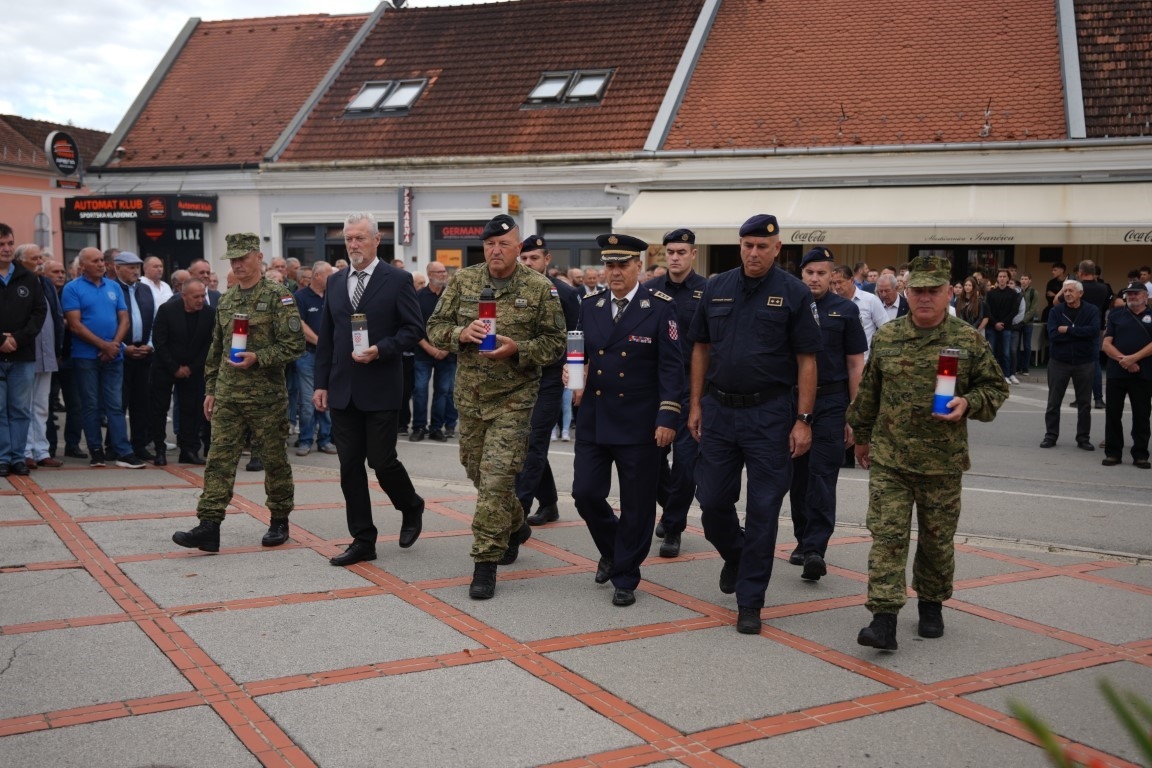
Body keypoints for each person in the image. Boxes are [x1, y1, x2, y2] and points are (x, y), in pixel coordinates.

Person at [848, 256, 1008, 652]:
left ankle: (932, 604)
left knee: (937, 541)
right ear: (907, 292)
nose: (924, 298)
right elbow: (869, 392)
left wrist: (968, 402)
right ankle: (883, 618)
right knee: (887, 537)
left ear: (947, 293)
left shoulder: (967, 339)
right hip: (891, 459)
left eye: (933, 291)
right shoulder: (887, 337)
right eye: (917, 290)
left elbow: (995, 388)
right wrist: (861, 436)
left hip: (942, 461)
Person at [687, 214, 822, 635]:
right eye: (747, 245)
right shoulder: (716, 287)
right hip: (720, 411)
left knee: (764, 510)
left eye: (762, 246)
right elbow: (700, 348)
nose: (754, 252)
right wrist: (695, 404)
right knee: (711, 504)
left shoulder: (794, 292)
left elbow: (807, 360)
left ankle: (750, 601)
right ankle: (736, 552)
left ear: (777, 249)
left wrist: (803, 420)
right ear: (739, 246)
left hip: (769, 415)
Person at [426, 214, 566, 599]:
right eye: (490, 244)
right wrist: (461, 333)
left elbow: (556, 344)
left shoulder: (540, 288)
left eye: (504, 244)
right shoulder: (464, 281)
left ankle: (485, 563)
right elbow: (434, 327)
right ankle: (517, 524)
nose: (496, 251)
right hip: (470, 401)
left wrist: (518, 348)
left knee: (496, 481)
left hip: (514, 401)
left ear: (518, 249)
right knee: (477, 472)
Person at [172, 233, 304, 552]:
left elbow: (294, 345)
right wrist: (212, 389)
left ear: (258, 257)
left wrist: (260, 357)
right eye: (232, 259)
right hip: (229, 395)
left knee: (273, 460)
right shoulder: (227, 299)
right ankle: (209, 525)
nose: (237, 264)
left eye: (243, 258)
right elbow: (217, 347)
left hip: (265, 396)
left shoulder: (279, 296)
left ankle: (279, 519)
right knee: (219, 459)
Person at [572, 233, 683, 606]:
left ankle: (625, 575)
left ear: (639, 265)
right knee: (585, 493)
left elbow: (672, 368)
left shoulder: (660, 306)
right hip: (596, 417)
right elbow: (576, 347)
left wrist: (668, 416)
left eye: (622, 264)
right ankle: (614, 548)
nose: (615, 272)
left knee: (637, 504)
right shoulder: (591, 305)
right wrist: (572, 376)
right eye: (609, 265)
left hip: (640, 420)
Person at [314, 213, 427, 567]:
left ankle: (411, 505)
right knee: (349, 465)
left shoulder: (397, 280)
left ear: (377, 240)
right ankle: (363, 539)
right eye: (348, 239)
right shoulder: (335, 283)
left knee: (381, 460)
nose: (353, 245)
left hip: (380, 385)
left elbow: (413, 330)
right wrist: (320, 383)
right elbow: (327, 339)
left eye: (360, 238)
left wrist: (382, 349)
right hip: (343, 388)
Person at [788, 248, 866, 580]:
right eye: (810, 273)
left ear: (832, 276)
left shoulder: (845, 311)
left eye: (822, 273)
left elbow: (854, 365)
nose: (816, 279)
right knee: (797, 476)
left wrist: (854, 414)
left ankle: (816, 547)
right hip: (792, 404)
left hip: (832, 403)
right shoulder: (789, 308)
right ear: (801, 275)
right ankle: (802, 538)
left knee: (822, 476)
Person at [643, 228, 707, 557]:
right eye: (670, 252)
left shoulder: (707, 291)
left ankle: (674, 526)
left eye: (682, 251)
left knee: (686, 461)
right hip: (655, 385)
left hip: (692, 385)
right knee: (651, 460)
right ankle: (670, 508)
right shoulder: (650, 290)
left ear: (693, 254)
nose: (675, 257)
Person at [515, 235, 580, 526]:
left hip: (551, 377)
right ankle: (550, 503)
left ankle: (517, 514)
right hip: (519, 376)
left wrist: (575, 376)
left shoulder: (564, 294)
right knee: (526, 444)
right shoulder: (514, 289)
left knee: (533, 445)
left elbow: (577, 338)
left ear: (547, 259)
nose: (528, 264)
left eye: (534, 258)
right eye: (524, 259)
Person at [61, 248, 144, 469]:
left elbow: (123, 319)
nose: (101, 264)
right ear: (83, 266)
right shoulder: (72, 289)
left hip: (113, 355)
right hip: (85, 356)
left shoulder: (113, 286)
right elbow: (75, 325)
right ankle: (96, 450)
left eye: (101, 260)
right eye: (95, 261)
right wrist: (103, 345)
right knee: (90, 405)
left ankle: (123, 451)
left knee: (115, 406)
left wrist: (114, 345)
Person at [150, 279, 215, 465]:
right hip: (165, 366)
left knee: (192, 410)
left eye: (203, 296)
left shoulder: (210, 314)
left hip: (193, 369)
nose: (201, 300)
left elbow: (209, 345)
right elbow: (159, 342)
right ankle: (159, 450)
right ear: (184, 296)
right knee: (159, 408)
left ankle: (189, 449)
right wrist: (175, 367)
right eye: (196, 296)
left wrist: (191, 367)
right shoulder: (167, 310)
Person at [0, 225, 47, 478]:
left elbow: (39, 312)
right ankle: (2, 458)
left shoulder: (28, 277)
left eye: (9, 243)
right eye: (1, 245)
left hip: (22, 355)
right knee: (0, 411)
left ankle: (18, 458)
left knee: (20, 409)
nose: (6, 249)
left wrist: (17, 339)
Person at [15, 244, 63, 470]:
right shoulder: (17, 282)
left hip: (47, 352)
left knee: (42, 405)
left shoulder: (45, 283)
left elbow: (55, 314)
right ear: (21, 261)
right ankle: (24, 451)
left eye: (40, 257)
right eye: (35, 258)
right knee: (23, 404)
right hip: (25, 352)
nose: (39, 261)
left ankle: (41, 450)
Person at [1040, 280, 1099, 451]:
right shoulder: (1056, 311)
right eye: (1065, 291)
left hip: (1084, 362)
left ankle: (1083, 438)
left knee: (1085, 403)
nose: (1067, 294)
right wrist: (1079, 332)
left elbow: (1093, 332)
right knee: (1053, 402)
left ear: (1080, 293)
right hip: (1059, 362)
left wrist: (1068, 330)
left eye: (1071, 291)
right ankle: (1050, 435)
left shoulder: (1091, 310)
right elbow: (1053, 335)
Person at [1101, 282, 1152, 469]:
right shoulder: (1116, 314)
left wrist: (1135, 358)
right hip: (1117, 373)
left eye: (1135, 293)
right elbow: (1106, 344)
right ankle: (1113, 453)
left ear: (1145, 296)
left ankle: (1140, 454)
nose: (1131, 296)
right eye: (1128, 294)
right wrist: (1124, 360)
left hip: (1143, 373)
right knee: (1113, 414)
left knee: (1142, 415)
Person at [113, 252, 158, 459]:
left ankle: (140, 445)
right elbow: (108, 323)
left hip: (144, 352)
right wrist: (123, 347)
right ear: (117, 268)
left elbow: (154, 320)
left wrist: (149, 344)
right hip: (121, 353)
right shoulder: (112, 289)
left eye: (137, 267)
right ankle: (114, 446)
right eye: (130, 267)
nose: (134, 271)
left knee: (142, 403)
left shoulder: (145, 289)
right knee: (119, 403)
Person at [410, 261, 457, 443]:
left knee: (443, 391)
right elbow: (413, 326)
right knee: (420, 390)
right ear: (429, 274)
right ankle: (419, 427)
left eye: (444, 271)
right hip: (423, 353)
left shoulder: (452, 296)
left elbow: (458, 323)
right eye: (438, 272)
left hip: (447, 354)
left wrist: (444, 348)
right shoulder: (418, 297)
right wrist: (429, 348)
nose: (443, 275)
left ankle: (437, 428)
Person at [294, 261, 336, 456]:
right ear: (317, 276)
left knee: (327, 399)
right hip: (308, 355)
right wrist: (321, 342)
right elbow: (300, 325)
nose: (333, 278)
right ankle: (305, 440)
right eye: (329, 274)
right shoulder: (300, 297)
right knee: (308, 401)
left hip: (330, 357)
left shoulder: (333, 295)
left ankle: (325, 439)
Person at [985, 269, 1019, 384]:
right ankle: (992, 376)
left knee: (1006, 352)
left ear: (1008, 279)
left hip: (1007, 327)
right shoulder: (990, 293)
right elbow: (988, 310)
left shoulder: (1013, 293)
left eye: (1004, 276)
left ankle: (1006, 374)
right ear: (997, 278)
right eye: (1000, 276)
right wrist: (995, 323)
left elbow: (1014, 311)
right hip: (992, 327)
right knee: (992, 351)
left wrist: (1002, 323)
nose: (1002, 278)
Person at [1016, 273, 1040, 375]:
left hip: (1028, 322)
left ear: (1030, 280)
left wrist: (1023, 320)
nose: (1023, 281)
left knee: (1027, 345)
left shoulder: (1034, 292)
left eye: (1026, 279)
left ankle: (1025, 367)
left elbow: (1033, 309)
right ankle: (1017, 367)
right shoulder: (1017, 291)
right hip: (1017, 322)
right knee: (1016, 345)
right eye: (1022, 279)